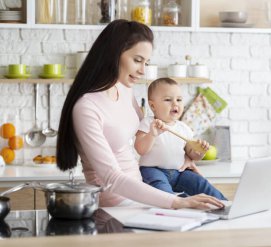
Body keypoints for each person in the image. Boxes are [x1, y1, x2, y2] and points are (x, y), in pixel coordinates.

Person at [56, 20, 224, 210]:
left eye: (146, 62)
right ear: (114, 54)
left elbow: (142, 140)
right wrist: (177, 202)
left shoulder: (125, 89)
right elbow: (111, 178)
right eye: (137, 60)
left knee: (218, 208)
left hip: (141, 192)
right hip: (116, 206)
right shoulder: (86, 107)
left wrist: (182, 158)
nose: (143, 70)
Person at [134, 78, 227, 200]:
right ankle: (173, 208)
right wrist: (152, 134)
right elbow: (140, 149)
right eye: (168, 100)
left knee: (201, 183)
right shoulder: (148, 123)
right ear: (152, 105)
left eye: (179, 99)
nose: (175, 104)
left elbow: (192, 155)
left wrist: (200, 152)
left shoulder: (184, 128)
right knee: (164, 194)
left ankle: (224, 205)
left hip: (179, 173)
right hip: (153, 171)